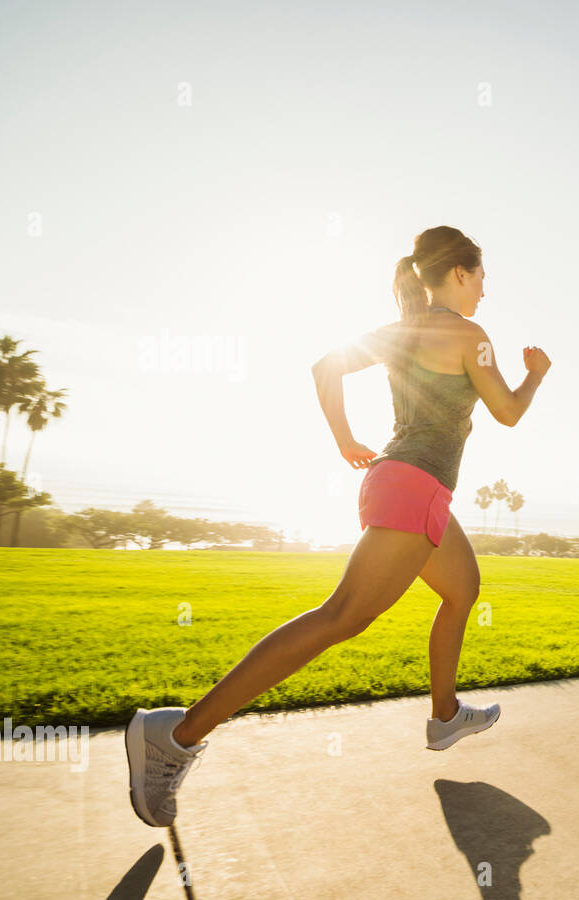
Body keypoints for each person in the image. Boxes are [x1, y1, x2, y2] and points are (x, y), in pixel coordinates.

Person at [125, 225, 552, 828]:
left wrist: (345, 440)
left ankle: (445, 714)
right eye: (481, 277)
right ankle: (178, 734)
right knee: (342, 617)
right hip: (413, 489)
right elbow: (507, 411)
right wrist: (536, 373)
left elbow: (325, 366)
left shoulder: (402, 332)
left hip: (410, 487)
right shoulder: (469, 334)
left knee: (462, 591)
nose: (484, 290)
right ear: (459, 272)